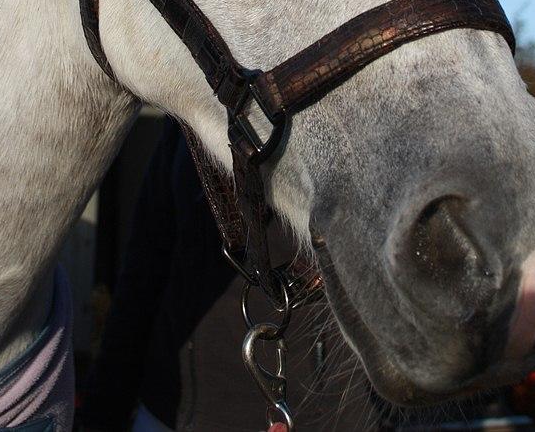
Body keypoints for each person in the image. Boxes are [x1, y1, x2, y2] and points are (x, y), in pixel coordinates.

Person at [77, 119, 378, 432]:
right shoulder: (187, 123)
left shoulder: (353, 115)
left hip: (323, 414)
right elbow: (141, 281)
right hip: (175, 412)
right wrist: (99, 416)